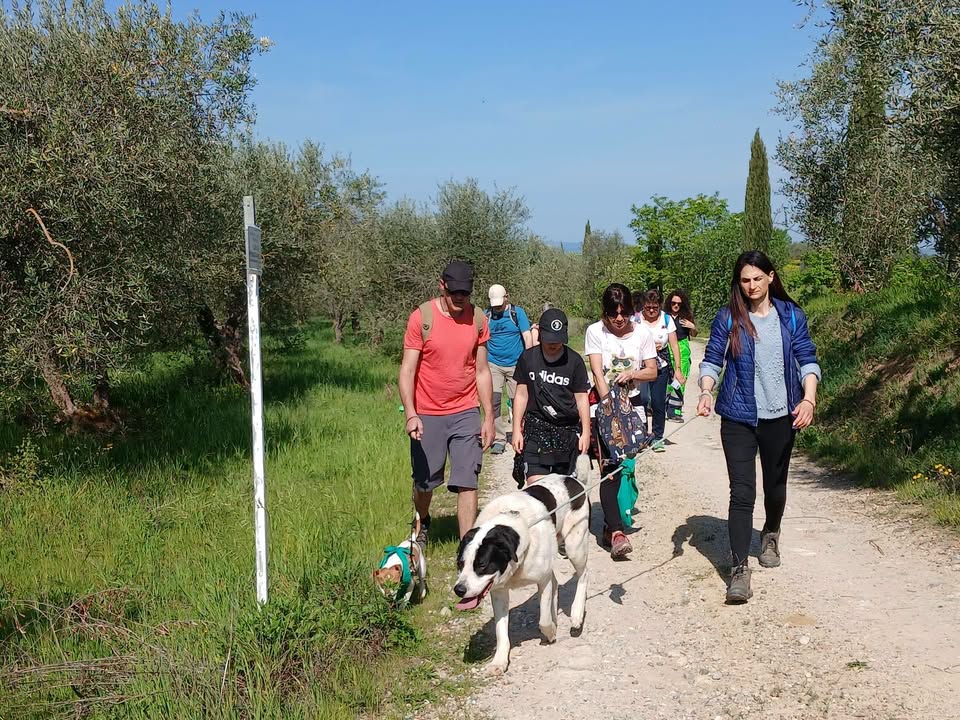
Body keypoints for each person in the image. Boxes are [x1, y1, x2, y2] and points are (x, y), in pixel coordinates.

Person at [697, 250, 821, 604]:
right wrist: (705, 391)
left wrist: (808, 400)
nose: (751, 286)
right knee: (742, 492)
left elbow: (807, 360)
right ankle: (739, 570)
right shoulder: (729, 318)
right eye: (744, 280)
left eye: (756, 278)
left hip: (781, 415)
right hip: (738, 416)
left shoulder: (791, 316)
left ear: (770, 277)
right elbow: (712, 359)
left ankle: (770, 532)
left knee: (775, 486)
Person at [399, 261, 496, 553]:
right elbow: (407, 370)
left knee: (468, 479)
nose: (460, 298)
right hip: (427, 412)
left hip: (465, 410)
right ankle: (423, 521)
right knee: (425, 482)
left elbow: (481, 370)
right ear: (442, 286)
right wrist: (411, 413)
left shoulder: (478, 319)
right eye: (454, 292)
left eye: (465, 293)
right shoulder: (422, 318)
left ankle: (467, 547)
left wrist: (489, 417)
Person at [584, 284, 657, 558]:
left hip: (633, 405)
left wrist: (634, 374)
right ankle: (616, 532)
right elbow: (597, 373)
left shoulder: (643, 333)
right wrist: (610, 408)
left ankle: (611, 522)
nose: (618, 319)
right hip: (605, 406)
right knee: (610, 468)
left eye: (623, 313)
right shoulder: (595, 332)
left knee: (627, 466)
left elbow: (652, 371)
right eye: (612, 313)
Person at [512, 308, 591, 485]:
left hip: (566, 432)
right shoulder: (528, 358)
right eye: (549, 340)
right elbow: (521, 395)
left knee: (564, 489)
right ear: (540, 334)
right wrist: (517, 429)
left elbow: (581, 398)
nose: (553, 344)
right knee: (537, 488)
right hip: (536, 430)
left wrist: (586, 432)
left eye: (558, 340)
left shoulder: (575, 361)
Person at [633, 289, 685, 452]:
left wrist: (677, 369)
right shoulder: (636, 319)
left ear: (660, 306)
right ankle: (641, 436)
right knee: (641, 400)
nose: (651, 311)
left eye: (655, 307)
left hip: (661, 365)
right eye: (648, 307)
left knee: (657, 402)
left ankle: (657, 437)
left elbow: (674, 345)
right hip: (641, 365)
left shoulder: (666, 319)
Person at [485, 284, 533, 454]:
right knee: (494, 401)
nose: (497, 307)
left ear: (507, 297)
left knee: (518, 401)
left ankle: (520, 432)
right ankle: (498, 439)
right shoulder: (486, 316)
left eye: (500, 304)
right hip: (493, 363)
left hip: (516, 364)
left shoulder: (517, 313)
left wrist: (529, 361)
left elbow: (527, 336)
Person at [664, 289, 698, 422]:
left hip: (682, 349)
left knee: (680, 380)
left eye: (679, 304)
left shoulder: (685, 316)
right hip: (667, 349)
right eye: (673, 303)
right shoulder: (664, 316)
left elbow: (694, 335)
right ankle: (663, 406)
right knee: (667, 380)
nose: (676, 306)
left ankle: (675, 410)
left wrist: (692, 326)